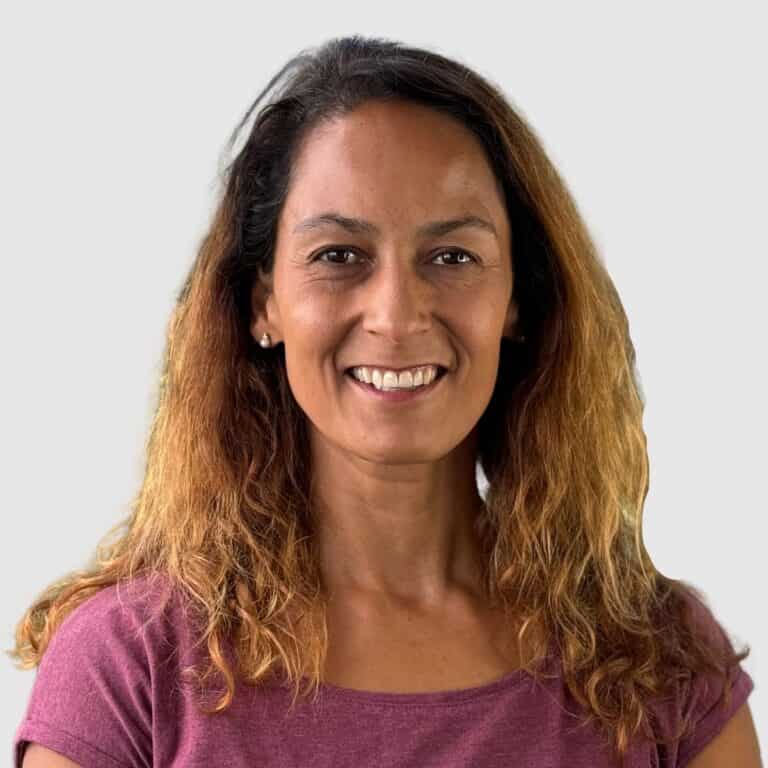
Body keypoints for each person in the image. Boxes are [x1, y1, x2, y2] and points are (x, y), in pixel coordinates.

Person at [10, 34, 760, 767]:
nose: (397, 316)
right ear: (262, 304)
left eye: (452, 256)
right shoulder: (129, 667)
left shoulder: (659, 662)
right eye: (339, 256)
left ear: (517, 302)